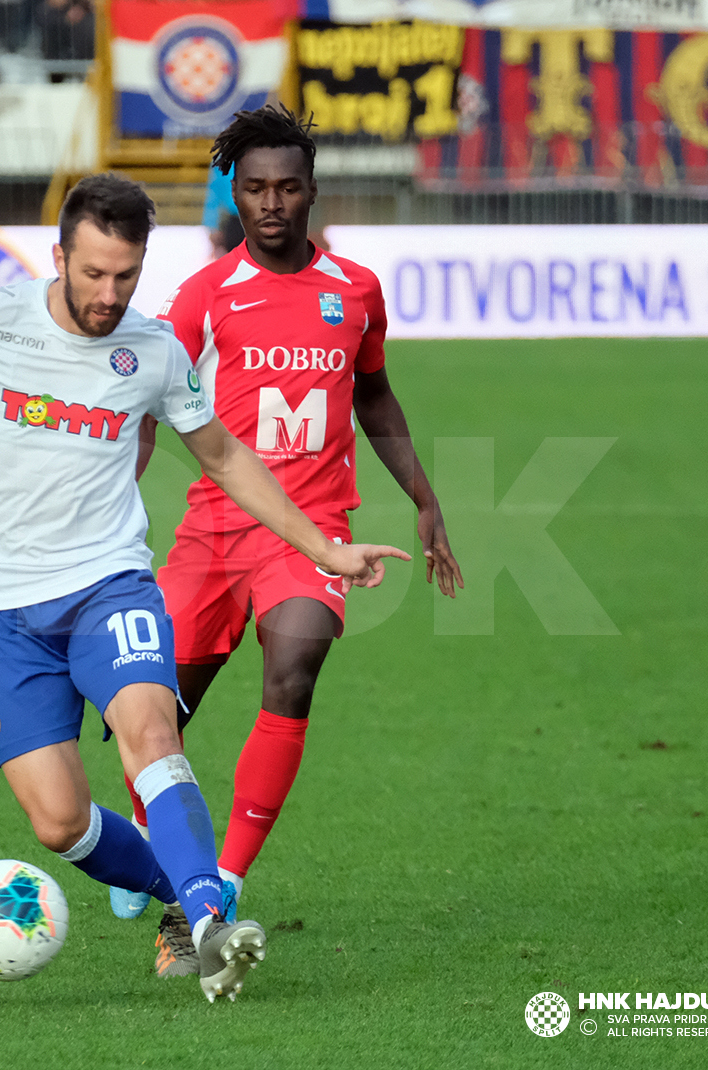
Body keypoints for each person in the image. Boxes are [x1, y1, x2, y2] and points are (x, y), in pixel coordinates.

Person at [0, 174, 411, 1001]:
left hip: (109, 585)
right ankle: (176, 894)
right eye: (94, 273)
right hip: (0, 610)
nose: (108, 295)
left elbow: (227, 457)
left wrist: (324, 548)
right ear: (59, 256)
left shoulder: (154, 351)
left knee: (152, 734)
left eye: (125, 275)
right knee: (59, 820)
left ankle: (209, 924)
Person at [112, 106, 464, 924]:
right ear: (234, 193)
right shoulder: (203, 297)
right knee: (159, 709)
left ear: (312, 192)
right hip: (215, 530)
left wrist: (425, 498)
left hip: (315, 529)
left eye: (288, 187)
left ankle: (226, 878)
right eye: (255, 188)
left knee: (295, 665)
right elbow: (149, 410)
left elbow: (373, 393)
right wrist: (115, 501)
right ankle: (141, 829)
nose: (271, 203)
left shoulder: (355, 292)